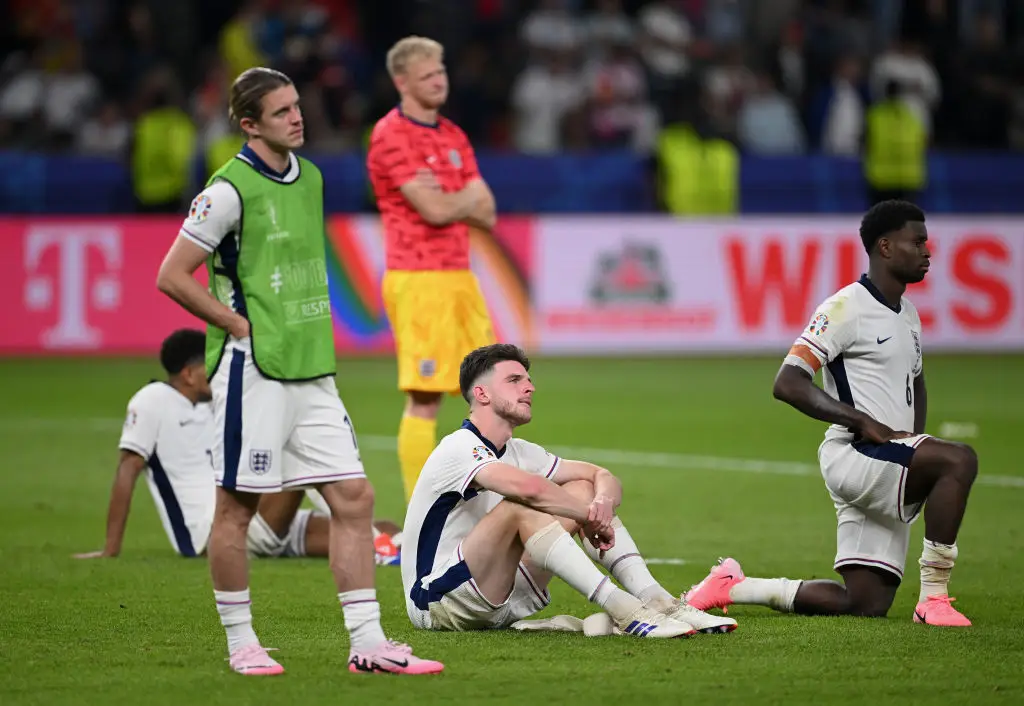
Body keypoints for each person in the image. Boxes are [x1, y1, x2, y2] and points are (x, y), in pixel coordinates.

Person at [156, 67, 442, 676]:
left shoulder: (309, 177)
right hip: (252, 370)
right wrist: (237, 327)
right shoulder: (227, 190)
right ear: (249, 124)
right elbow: (172, 273)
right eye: (282, 111)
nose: (297, 116)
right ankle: (241, 645)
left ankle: (368, 644)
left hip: (313, 370)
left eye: (297, 106)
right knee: (236, 509)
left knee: (354, 497)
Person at [685, 201, 977, 627]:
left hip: (890, 457)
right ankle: (933, 597)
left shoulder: (909, 315)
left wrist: (916, 447)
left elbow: (917, 383)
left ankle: (734, 586)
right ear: (885, 247)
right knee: (960, 459)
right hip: (856, 453)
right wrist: (861, 422)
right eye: (917, 242)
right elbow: (787, 382)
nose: (927, 252)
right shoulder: (844, 308)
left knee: (863, 603)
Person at [401, 343, 737, 637]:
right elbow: (530, 490)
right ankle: (626, 610)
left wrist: (601, 502)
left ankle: (660, 601)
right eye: (515, 380)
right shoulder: (458, 447)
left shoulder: (520, 451)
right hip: (437, 601)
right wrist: (589, 518)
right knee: (522, 506)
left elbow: (600, 475)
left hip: (495, 593)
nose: (530, 387)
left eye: (529, 380)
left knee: (580, 487)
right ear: (482, 394)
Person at [73, 329, 403, 564]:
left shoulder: (216, 402)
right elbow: (127, 470)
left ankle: (405, 547)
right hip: (212, 532)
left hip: (260, 517)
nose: (217, 370)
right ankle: (372, 536)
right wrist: (111, 548)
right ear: (188, 374)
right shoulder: (151, 402)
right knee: (303, 448)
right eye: (209, 365)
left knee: (387, 530)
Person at [367, 35, 498, 504]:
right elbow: (437, 210)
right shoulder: (390, 134)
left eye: (441, 71)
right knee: (425, 399)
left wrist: (448, 198)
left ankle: (483, 504)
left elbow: (487, 211)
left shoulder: (453, 135)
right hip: (417, 278)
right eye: (427, 75)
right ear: (402, 81)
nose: (438, 80)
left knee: (492, 388)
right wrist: (455, 200)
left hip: (461, 277)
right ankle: (421, 513)